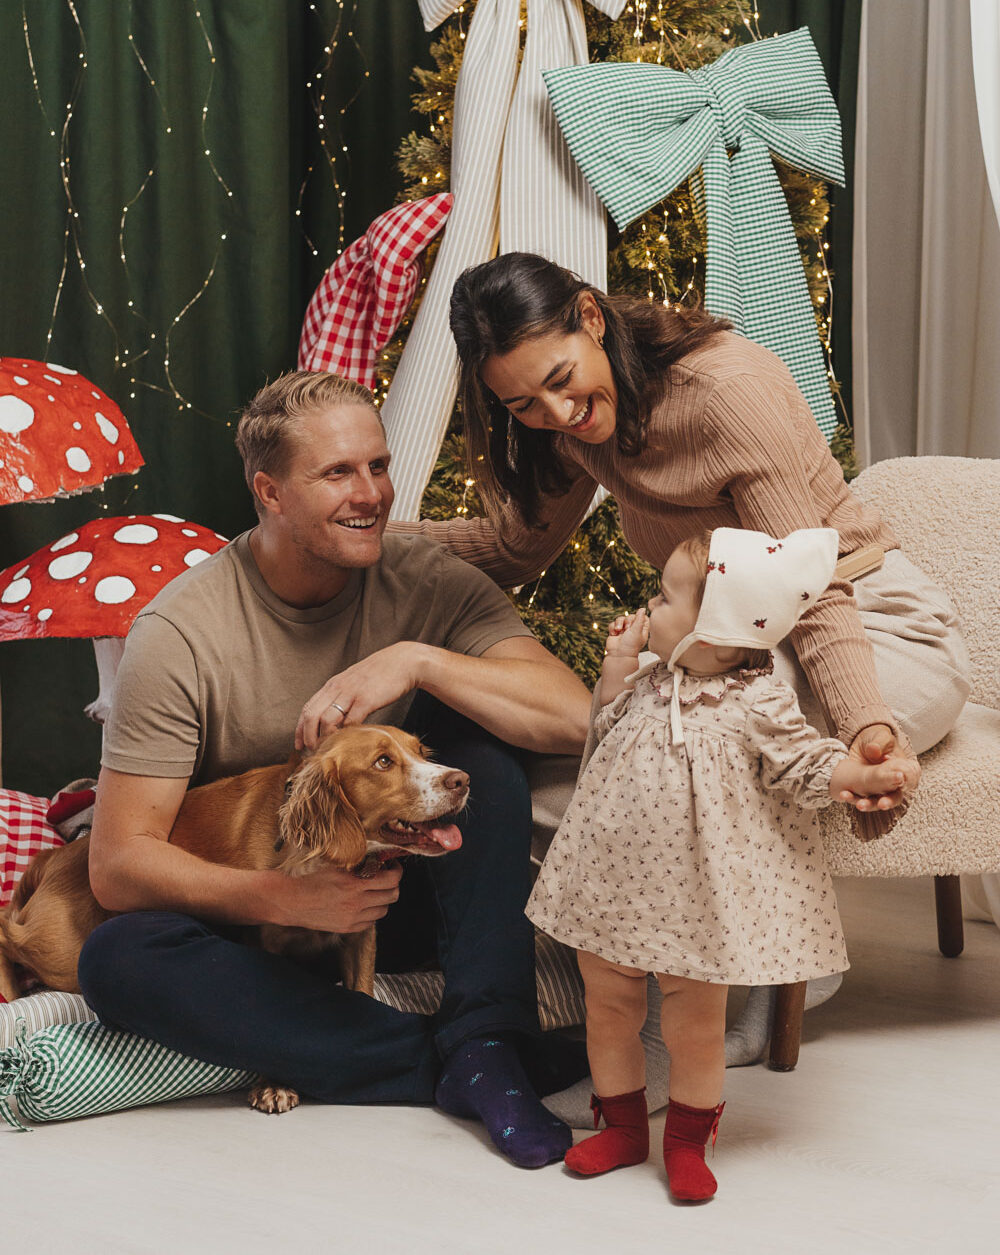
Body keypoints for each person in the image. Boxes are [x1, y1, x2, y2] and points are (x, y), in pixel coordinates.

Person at [79, 370, 594, 1169]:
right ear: (271, 493)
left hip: (402, 893)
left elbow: (576, 716)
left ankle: (486, 1029)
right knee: (117, 961)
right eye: (338, 473)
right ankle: (466, 1060)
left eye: (379, 465)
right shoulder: (179, 632)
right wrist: (286, 896)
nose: (372, 494)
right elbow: (116, 864)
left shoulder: (429, 583)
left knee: (474, 745)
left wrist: (417, 661)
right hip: (255, 925)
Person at [395, 251, 970, 840]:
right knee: (566, 785)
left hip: (875, 628)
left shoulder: (725, 395)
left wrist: (864, 726)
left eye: (561, 379)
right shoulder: (575, 427)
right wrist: (365, 534)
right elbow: (513, 548)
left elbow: (806, 588)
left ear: (590, 317)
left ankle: (732, 931)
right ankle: (585, 930)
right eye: (523, 406)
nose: (558, 413)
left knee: (667, 754)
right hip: (737, 650)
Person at [526, 527, 911, 1201]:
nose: (651, 604)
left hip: (696, 903)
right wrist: (616, 668)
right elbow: (604, 729)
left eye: (667, 597)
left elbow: (802, 761)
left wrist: (852, 771)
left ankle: (686, 1142)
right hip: (613, 886)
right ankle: (620, 1125)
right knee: (609, 1007)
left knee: (694, 1027)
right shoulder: (652, 678)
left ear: (716, 627)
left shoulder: (758, 699)